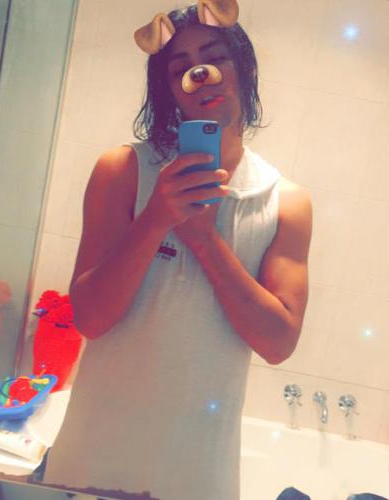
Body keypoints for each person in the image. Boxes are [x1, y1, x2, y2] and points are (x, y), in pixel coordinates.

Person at [43, 3, 312, 500]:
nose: (200, 74)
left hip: (199, 472)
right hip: (94, 457)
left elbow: (278, 344)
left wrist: (204, 239)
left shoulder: (285, 202)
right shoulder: (123, 171)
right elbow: (90, 320)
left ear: (245, 69)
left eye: (215, 57)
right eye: (179, 68)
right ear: (169, 91)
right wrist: (156, 218)